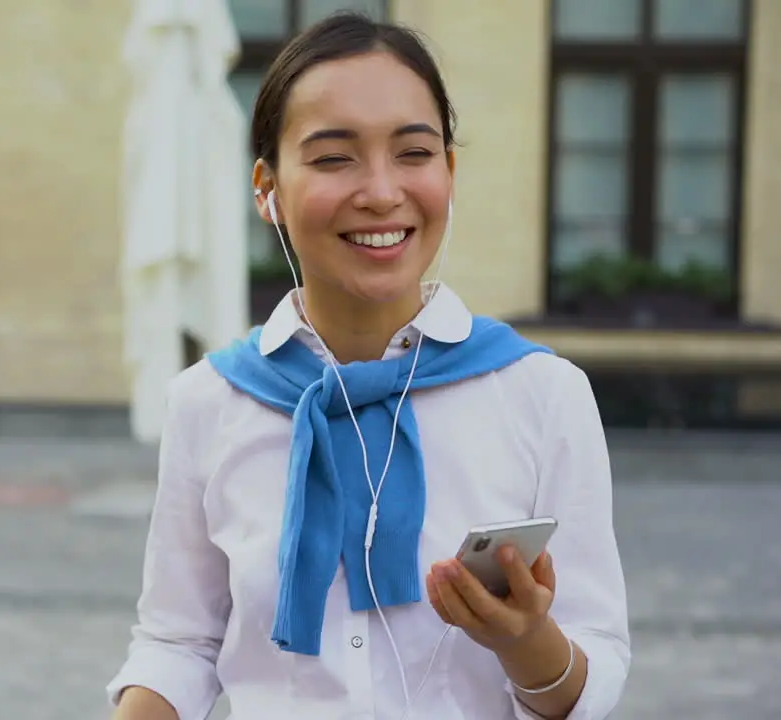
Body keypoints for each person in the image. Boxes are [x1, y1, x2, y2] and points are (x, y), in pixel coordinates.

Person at [107, 12, 629, 720]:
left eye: (414, 153)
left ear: (450, 169)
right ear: (267, 189)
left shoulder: (541, 395)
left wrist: (528, 640)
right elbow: (179, 643)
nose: (382, 192)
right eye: (332, 157)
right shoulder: (210, 402)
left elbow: (593, 669)